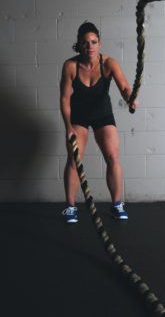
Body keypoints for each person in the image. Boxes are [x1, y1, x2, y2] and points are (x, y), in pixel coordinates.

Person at [59, 21, 137, 223]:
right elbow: (65, 99)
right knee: (74, 160)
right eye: (85, 43)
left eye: (94, 42)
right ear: (79, 44)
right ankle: (70, 207)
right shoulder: (71, 66)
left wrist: (131, 98)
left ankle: (117, 204)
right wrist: (68, 127)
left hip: (103, 114)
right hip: (79, 116)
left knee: (113, 156)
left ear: (99, 44)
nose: (90, 46)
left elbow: (125, 87)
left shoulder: (108, 63)